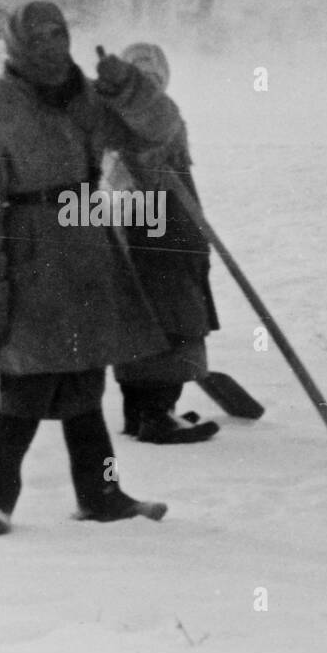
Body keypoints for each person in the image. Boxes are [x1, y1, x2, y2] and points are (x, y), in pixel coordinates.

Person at [0, 1, 178, 535]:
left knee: (84, 381)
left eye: (61, 33)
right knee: (27, 384)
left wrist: (130, 89)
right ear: (17, 45)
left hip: (86, 250)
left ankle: (102, 495)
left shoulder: (86, 102)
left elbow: (158, 132)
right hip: (28, 256)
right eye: (41, 38)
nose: (54, 47)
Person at [107, 43, 221, 445]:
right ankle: (158, 414)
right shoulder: (150, 114)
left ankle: (143, 412)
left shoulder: (113, 112)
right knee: (171, 317)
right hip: (160, 228)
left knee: (143, 316)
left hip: (137, 222)